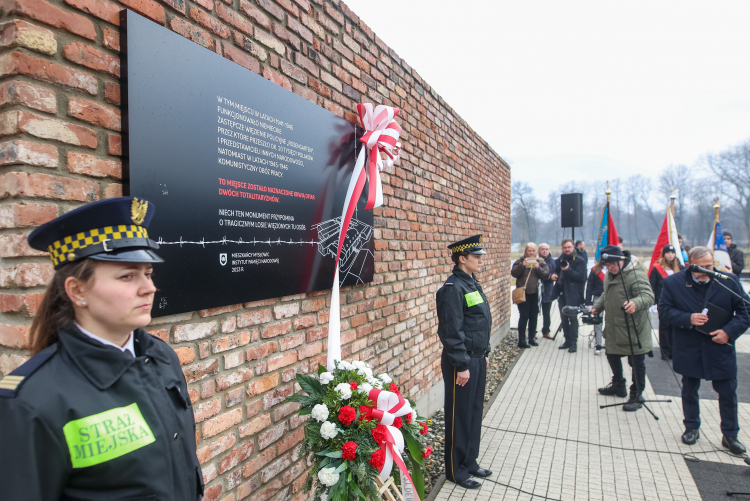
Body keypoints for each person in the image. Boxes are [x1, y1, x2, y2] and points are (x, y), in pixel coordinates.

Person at [0, 197, 204, 500]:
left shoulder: (161, 358)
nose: (149, 287)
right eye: (127, 275)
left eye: (148, 273)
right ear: (77, 290)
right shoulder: (30, 401)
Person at [658, 246, 750, 454]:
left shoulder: (729, 281)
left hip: (720, 346)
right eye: (702, 268)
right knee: (689, 390)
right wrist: (687, 318)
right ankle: (691, 427)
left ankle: (730, 434)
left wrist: (728, 332)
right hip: (689, 346)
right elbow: (664, 310)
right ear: (690, 266)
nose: (708, 271)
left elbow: (746, 311)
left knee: (727, 392)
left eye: (711, 266)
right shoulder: (673, 283)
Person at [436, 234, 493, 489]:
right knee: (459, 416)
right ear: (462, 259)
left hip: (477, 358)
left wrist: (485, 352)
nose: (481, 260)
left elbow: (480, 322)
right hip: (462, 363)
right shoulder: (452, 289)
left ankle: (469, 461)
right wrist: (461, 364)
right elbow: (451, 330)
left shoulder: (472, 283)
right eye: (476, 256)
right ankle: (455, 470)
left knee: (473, 412)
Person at [591, 246, 655, 411]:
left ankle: (637, 394)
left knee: (636, 361)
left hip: (634, 327)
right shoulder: (610, 275)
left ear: (621, 260)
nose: (609, 268)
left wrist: (636, 303)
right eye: (606, 265)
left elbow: (648, 296)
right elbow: (607, 294)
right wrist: (597, 307)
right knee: (611, 354)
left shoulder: (635, 274)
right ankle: (619, 385)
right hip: (614, 325)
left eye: (612, 264)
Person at [649, 244, 684, 360]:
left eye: (672, 253)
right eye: (668, 253)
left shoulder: (681, 268)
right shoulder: (657, 268)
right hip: (663, 302)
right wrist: (653, 302)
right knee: (664, 327)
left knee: (675, 326)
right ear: (664, 254)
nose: (670, 255)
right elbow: (652, 286)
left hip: (678, 303)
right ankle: (665, 350)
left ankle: (674, 351)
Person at [511, 243, 549, 348]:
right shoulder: (519, 261)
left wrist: (538, 268)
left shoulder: (540, 262)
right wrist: (522, 265)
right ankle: (522, 340)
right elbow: (514, 273)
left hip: (536, 294)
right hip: (523, 294)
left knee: (534, 316)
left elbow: (546, 275)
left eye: (533, 251)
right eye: (529, 251)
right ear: (525, 251)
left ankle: (532, 337)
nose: (531, 253)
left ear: (536, 252)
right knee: (524, 316)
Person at [552, 239, 587, 353]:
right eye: (565, 247)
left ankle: (573, 343)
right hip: (562, 293)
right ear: (562, 248)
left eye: (569, 247)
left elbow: (581, 277)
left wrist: (568, 269)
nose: (567, 249)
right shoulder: (560, 260)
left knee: (572, 318)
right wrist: (554, 275)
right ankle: (567, 340)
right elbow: (556, 271)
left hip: (573, 294)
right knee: (563, 318)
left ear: (573, 247)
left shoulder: (579, 260)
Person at [585, 261, 605, 355]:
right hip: (597, 298)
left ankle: (610, 344)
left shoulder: (615, 270)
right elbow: (589, 286)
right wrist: (588, 302)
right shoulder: (594, 270)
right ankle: (598, 345)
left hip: (612, 298)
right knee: (598, 322)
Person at [538, 243, 557, 339]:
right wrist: (549, 276)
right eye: (542, 249)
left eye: (546, 249)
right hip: (536, 290)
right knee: (534, 312)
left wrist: (553, 276)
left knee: (546, 313)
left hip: (548, 290)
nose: (544, 251)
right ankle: (532, 331)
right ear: (539, 250)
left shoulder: (553, 262)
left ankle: (546, 331)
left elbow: (555, 272)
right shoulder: (535, 261)